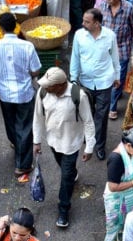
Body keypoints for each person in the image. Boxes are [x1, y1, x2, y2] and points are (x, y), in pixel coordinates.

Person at [33, 67, 95, 228]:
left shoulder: (78, 96)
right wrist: (37, 141)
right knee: (66, 169)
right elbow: (38, 117)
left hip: (72, 143)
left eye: (49, 86)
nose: (45, 88)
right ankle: (73, 173)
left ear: (61, 85)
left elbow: (88, 121)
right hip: (53, 141)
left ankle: (63, 210)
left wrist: (89, 146)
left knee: (65, 177)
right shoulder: (43, 93)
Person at [0, 13, 41, 182]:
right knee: (25, 127)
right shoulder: (27, 46)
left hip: (4, 91)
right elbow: (36, 70)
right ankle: (23, 165)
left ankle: (15, 142)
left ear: (0, 28)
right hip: (24, 92)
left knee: (10, 121)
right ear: (16, 26)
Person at [71, 7, 119, 161]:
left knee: (102, 115)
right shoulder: (79, 35)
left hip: (105, 82)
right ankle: (89, 137)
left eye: (87, 21)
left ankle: (99, 146)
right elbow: (75, 58)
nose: (83, 23)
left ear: (97, 23)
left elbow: (115, 58)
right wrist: (73, 78)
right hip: (85, 82)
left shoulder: (109, 36)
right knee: (87, 113)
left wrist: (117, 76)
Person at [99, 0, 133, 119]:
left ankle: (112, 107)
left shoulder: (129, 8)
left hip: (122, 48)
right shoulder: (102, 7)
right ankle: (114, 95)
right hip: (105, 49)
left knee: (118, 77)